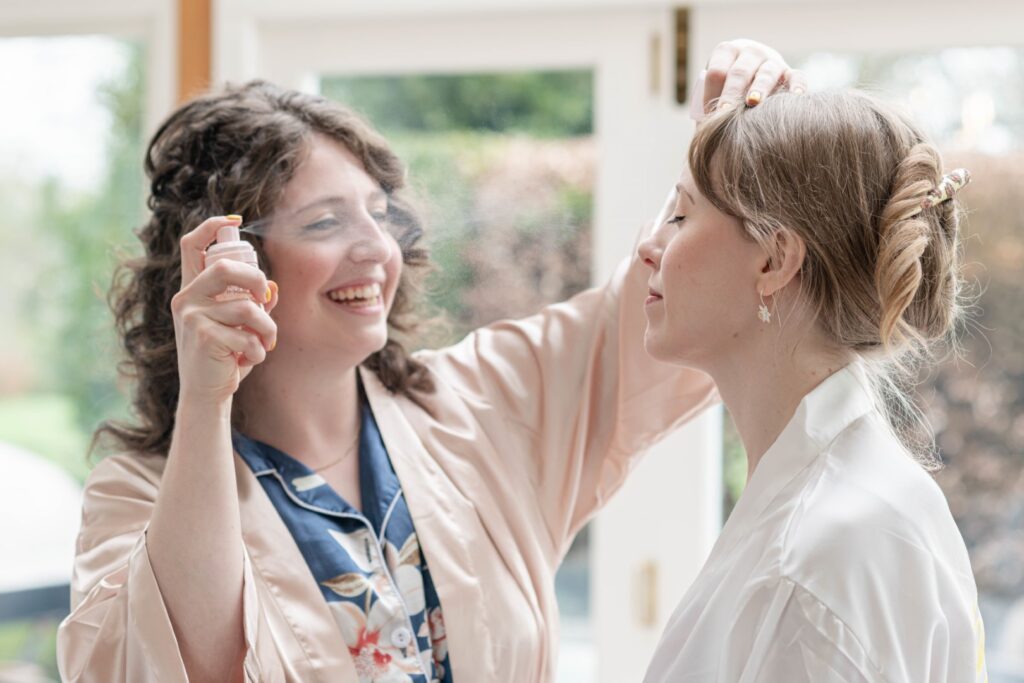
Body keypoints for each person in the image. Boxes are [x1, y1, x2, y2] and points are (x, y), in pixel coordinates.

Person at [56, 40, 801, 683]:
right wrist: (206, 397)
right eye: (324, 221)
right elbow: (187, 662)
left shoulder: (481, 403)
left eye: (381, 215)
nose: (378, 250)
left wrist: (736, 153)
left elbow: (664, 311)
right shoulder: (140, 499)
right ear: (225, 263)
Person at [638, 89, 986, 681]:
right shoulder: (837, 508)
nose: (649, 248)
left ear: (774, 261)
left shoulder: (813, 562)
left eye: (680, 215)